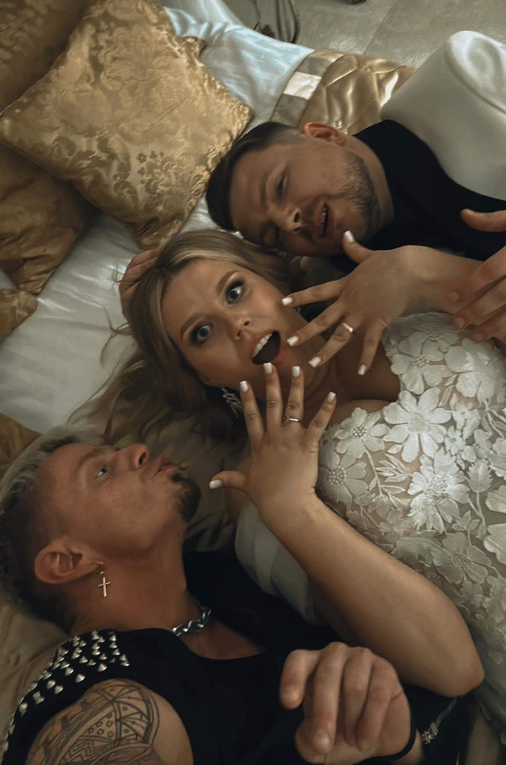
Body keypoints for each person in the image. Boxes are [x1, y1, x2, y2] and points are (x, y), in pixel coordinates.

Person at [111, 228, 506, 738]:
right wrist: (292, 507)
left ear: (274, 281)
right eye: (201, 333)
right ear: (202, 376)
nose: (237, 324)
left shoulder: (401, 296)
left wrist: (424, 270)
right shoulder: (257, 493)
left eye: (235, 291)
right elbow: (453, 668)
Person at [0, 393, 481, 764]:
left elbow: (450, 670)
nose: (139, 450)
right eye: (102, 471)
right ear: (68, 561)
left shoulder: (222, 576)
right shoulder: (100, 693)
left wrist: (400, 748)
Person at [204, 120, 506, 351]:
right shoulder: (347, 296)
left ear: (325, 135)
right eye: (274, 235)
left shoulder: (470, 93)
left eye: (280, 186)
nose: (288, 222)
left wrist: (416, 270)